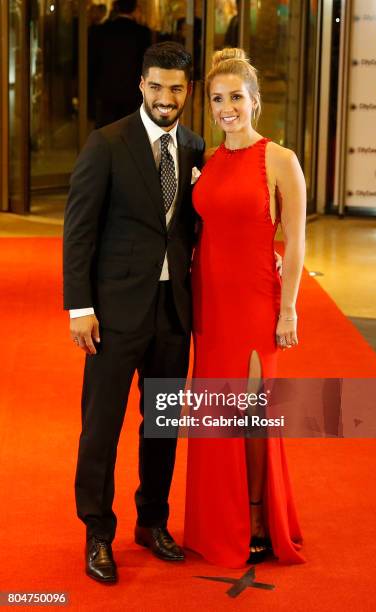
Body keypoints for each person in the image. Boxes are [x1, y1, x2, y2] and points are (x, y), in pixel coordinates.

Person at [63, 42, 205, 584]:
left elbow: (192, 228)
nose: (165, 97)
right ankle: (97, 532)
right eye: (156, 86)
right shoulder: (107, 143)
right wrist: (80, 306)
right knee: (101, 427)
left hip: (172, 312)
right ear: (141, 85)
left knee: (162, 425)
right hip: (114, 312)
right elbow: (79, 231)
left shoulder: (194, 145)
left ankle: (152, 521)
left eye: (176, 88)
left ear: (187, 91)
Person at [184, 48, 306, 567]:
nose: (226, 107)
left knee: (252, 412)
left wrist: (289, 310)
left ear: (254, 101)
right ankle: (218, 520)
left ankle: (256, 515)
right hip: (208, 303)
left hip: (257, 302)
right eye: (217, 99)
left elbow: (296, 243)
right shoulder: (208, 160)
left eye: (235, 97)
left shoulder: (280, 159)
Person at [88, 0, 151, 127]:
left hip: (107, 93)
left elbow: (93, 66)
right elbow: (146, 66)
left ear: (115, 7)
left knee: (107, 134)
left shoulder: (101, 31)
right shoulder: (142, 33)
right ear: (134, 8)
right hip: (133, 94)